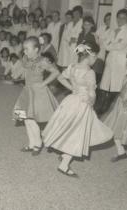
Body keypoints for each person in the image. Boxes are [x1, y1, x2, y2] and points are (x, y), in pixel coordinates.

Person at [42, 43, 113, 177]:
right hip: (82, 103)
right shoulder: (89, 72)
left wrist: (71, 88)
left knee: (69, 128)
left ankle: (64, 153)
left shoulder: (72, 67)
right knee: (78, 133)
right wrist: (91, 103)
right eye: (95, 58)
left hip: (71, 100)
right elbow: (92, 92)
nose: (95, 60)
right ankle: (64, 165)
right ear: (89, 57)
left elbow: (60, 77)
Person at [14, 37, 60, 156]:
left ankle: (38, 144)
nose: (24, 51)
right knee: (24, 118)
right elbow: (25, 71)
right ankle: (31, 143)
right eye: (23, 49)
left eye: (27, 49)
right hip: (26, 91)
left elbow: (56, 72)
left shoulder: (43, 61)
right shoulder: (26, 58)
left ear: (36, 49)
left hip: (37, 93)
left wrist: (44, 83)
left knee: (32, 119)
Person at [96, 9, 127, 115]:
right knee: (105, 84)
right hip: (111, 59)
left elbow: (120, 46)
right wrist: (112, 44)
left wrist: (111, 44)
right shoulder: (113, 31)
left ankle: (113, 110)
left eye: (123, 17)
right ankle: (102, 108)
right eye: (119, 17)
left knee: (117, 85)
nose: (120, 19)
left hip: (121, 62)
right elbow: (105, 45)